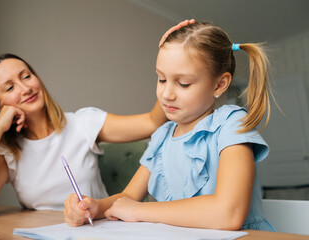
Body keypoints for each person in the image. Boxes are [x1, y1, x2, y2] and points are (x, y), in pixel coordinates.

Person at [63, 21, 276, 231]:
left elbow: (228, 213)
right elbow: (128, 198)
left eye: (183, 83)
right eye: (161, 79)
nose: (166, 94)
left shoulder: (231, 124)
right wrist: (95, 207)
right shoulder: (163, 136)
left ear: (220, 84)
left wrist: (138, 211)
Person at [0, 53, 167, 211]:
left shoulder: (84, 122)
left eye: (26, 76)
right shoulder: (10, 153)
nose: (25, 88)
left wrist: (170, 68)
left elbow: (152, 122)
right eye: (9, 88)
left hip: (96, 230)